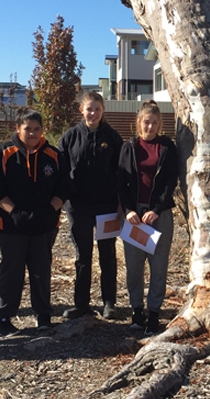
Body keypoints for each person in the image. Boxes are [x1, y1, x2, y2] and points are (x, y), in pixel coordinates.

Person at [0, 110, 69, 335]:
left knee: (41, 270)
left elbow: (65, 187)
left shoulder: (54, 155)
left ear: (42, 130)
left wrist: (50, 210)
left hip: (44, 226)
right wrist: (15, 212)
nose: (32, 133)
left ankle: (43, 315)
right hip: (11, 226)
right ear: (17, 129)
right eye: (27, 128)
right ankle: (4, 317)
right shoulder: (2, 154)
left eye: (36, 129)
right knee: (12, 271)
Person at [58, 91, 124, 320]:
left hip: (106, 207)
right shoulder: (69, 138)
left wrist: (119, 203)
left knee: (107, 254)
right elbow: (61, 173)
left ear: (103, 110)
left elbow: (121, 172)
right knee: (82, 256)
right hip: (79, 208)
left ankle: (109, 303)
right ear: (81, 110)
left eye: (97, 108)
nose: (93, 113)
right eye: (89, 109)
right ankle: (81, 304)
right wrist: (67, 201)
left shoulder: (113, 138)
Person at [117, 100, 179, 334]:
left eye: (154, 123)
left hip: (158, 215)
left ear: (159, 124)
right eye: (146, 122)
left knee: (158, 266)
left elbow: (170, 182)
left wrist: (157, 209)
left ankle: (154, 313)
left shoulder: (167, 147)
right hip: (134, 216)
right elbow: (121, 183)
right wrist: (129, 210)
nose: (150, 127)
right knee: (134, 267)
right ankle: (137, 311)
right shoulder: (129, 147)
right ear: (139, 123)